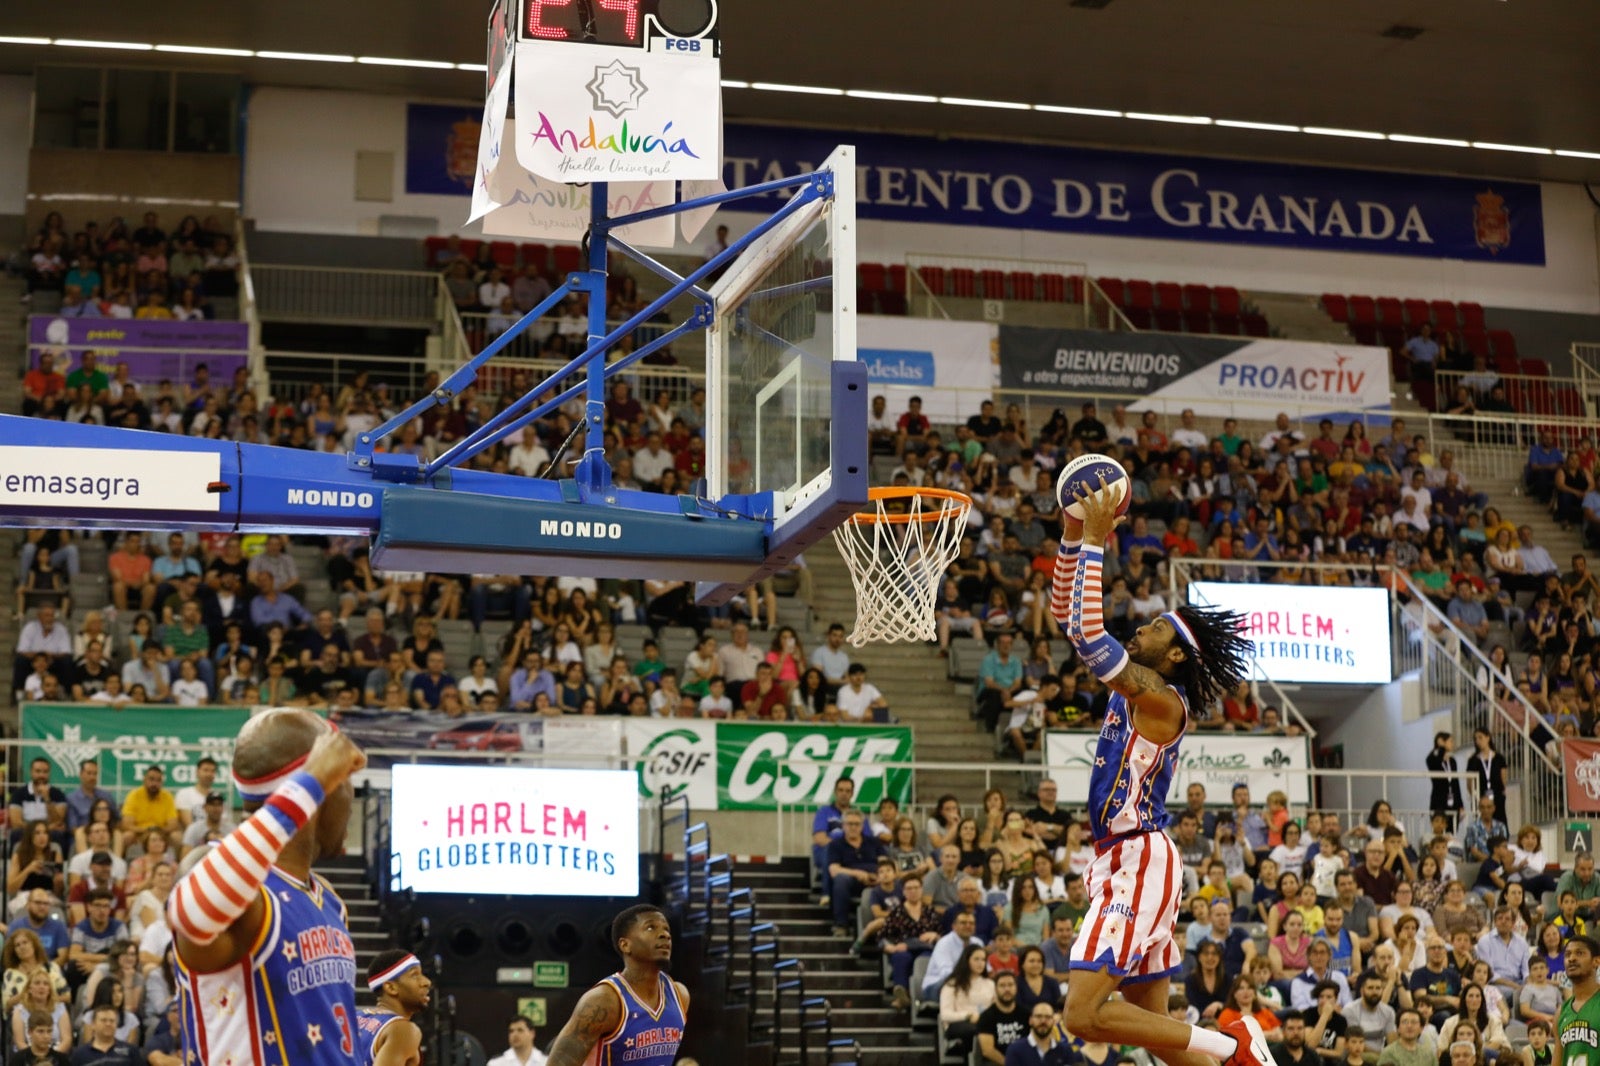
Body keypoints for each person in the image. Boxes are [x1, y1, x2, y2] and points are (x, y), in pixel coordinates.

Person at [1051, 480, 1265, 1066]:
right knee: (1159, 1036)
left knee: (1081, 1014)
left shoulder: (1162, 700)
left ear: (1174, 657)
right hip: (1124, 857)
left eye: (1158, 629)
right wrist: (1073, 534)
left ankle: (1231, 1045)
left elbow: (1091, 638)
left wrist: (1095, 540)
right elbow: (1071, 623)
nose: (1142, 627)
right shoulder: (1135, 682)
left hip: (1138, 858)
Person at [167, 710, 366, 1066]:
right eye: (345, 776)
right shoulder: (235, 886)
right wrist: (314, 778)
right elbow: (191, 911)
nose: (351, 792)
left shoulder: (329, 900)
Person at [541, 905, 687, 1066]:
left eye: (667, 930)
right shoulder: (603, 1000)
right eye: (651, 927)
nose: (664, 935)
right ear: (625, 945)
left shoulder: (680, 995)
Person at [356, 950, 431, 1066]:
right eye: (415, 975)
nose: (426, 982)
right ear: (391, 988)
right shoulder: (403, 1030)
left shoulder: (355, 1018)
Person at [1556, 935, 1600, 1066]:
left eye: (1579, 953)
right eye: (1567, 954)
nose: (1572, 958)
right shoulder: (1560, 1013)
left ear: (1596, 961)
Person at [1005, 1002, 1079, 1066]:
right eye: (1038, 1016)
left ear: (1053, 1021)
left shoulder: (1066, 1051)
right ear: (1030, 1020)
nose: (1043, 1021)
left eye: (1048, 1017)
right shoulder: (1015, 1050)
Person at [1426, 734, 1464, 829]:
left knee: (1452, 827)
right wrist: (1441, 748)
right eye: (1450, 741)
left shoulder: (1452, 761)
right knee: (1439, 827)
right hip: (1439, 799)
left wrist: (1460, 804)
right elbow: (1431, 762)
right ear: (1441, 741)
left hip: (1452, 799)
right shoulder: (1433, 758)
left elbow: (1455, 783)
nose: (1452, 744)